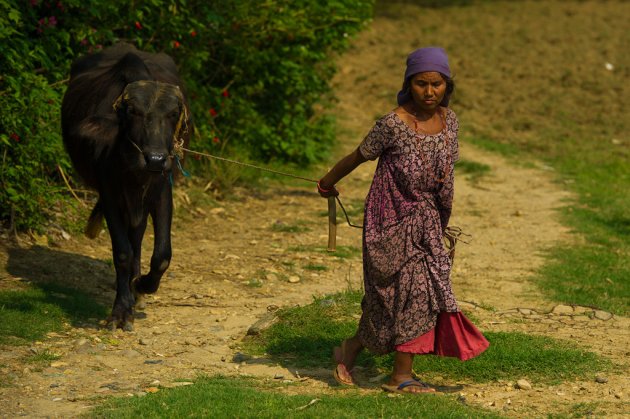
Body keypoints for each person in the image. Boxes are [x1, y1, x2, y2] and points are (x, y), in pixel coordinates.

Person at [317, 47, 489, 394]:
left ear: (447, 85)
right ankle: (398, 374)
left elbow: (446, 175)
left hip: (426, 221)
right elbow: (357, 156)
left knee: (417, 294)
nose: (429, 91)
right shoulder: (391, 125)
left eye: (436, 84)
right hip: (390, 220)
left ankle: (358, 351)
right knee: (394, 295)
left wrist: (441, 220)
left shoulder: (450, 121)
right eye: (421, 84)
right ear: (409, 85)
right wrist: (327, 182)